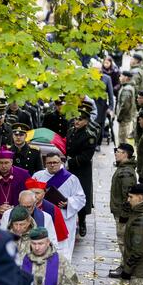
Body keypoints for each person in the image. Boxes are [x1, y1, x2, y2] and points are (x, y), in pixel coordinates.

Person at [33, 153, 86, 261]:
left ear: (61, 162)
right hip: (42, 216)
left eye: (55, 162)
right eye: (49, 163)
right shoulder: (37, 176)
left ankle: (63, 269)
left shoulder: (71, 178)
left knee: (63, 248)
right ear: (45, 163)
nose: (52, 165)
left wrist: (68, 203)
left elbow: (81, 198)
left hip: (63, 218)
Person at [66, 107, 97, 237]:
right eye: (76, 118)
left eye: (80, 119)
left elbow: (86, 156)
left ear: (86, 121)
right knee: (68, 192)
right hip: (69, 168)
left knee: (82, 194)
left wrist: (70, 162)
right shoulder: (71, 131)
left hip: (81, 169)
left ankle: (82, 220)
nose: (77, 121)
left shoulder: (89, 135)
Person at [108, 143, 138, 278]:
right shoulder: (123, 168)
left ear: (125, 154)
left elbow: (129, 196)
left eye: (118, 151)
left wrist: (124, 216)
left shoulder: (126, 172)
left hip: (123, 214)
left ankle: (127, 269)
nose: (115, 153)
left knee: (123, 242)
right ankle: (124, 266)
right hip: (120, 212)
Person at [0, 147, 30, 221]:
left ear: (11, 162)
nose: (3, 166)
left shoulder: (23, 174)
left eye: (6, 163)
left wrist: (16, 208)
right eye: (1, 163)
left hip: (18, 218)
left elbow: (30, 196)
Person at [24, 177, 69, 245]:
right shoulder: (21, 207)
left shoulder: (53, 209)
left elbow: (61, 238)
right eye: (31, 193)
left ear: (44, 194)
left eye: (37, 193)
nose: (34, 196)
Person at [115, 71, 136, 142]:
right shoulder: (127, 87)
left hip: (124, 119)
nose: (119, 78)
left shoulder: (126, 89)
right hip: (126, 118)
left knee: (122, 140)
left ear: (126, 78)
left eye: (121, 76)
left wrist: (119, 117)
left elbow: (125, 106)